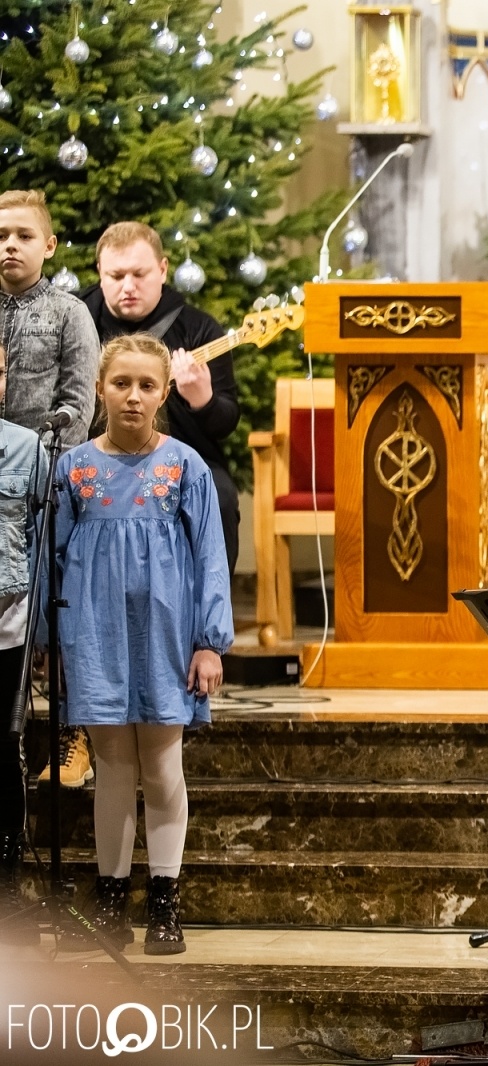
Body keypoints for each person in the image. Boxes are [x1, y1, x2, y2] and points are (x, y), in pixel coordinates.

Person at [53, 333, 232, 955]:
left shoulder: (184, 466)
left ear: (163, 393)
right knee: (112, 769)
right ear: (101, 387)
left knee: (160, 766)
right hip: (95, 633)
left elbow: (210, 556)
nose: (133, 396)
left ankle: (164, 903)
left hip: (166, 634)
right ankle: (109, 901)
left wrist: (209, 642)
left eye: (147, 385)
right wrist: (54, 638)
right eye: (121, 383)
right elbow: (54, 557)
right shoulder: (73, 468)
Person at [0, 190, 98, 792]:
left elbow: (77, 407)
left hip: (45, 483)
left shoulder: (68, 314)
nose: (9, 245)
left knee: (56, 600)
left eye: (23, 235)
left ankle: (72, 731)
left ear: (49, 245)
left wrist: (38, 465)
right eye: (0, 235)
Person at [82, 222, 241, 574]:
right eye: (116, 275)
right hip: (94, 455)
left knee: (220, 494)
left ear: (163, 269)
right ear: (100, 273)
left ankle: (208, 619)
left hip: (182, 460)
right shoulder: (80, 320)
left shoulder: (200, 329)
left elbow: (226, 422)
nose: (128, 286)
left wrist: (204, 400)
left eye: (139, 274)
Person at [0, 342, 47, 945]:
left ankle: (7, 878)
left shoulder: (25, 447)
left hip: (6, 624)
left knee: (2, 753)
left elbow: (42, 536)